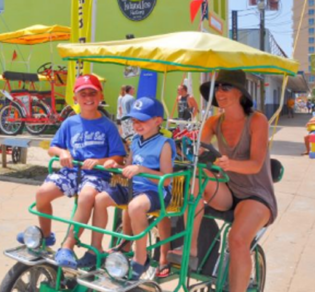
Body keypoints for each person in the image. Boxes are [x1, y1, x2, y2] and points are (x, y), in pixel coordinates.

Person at [167, 70, 277, 292]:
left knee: (237, 240)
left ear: (240, 93)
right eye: (217, 87)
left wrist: (225, 163)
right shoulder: (213, 122)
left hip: (256, 194)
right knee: (193, 176)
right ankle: (192, 248)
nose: (219, 92)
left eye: (225, 87)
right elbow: (196, 154)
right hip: (227, 188)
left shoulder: (257, 120)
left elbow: (255, 164)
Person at [17, 74, 127, 269]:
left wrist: (99, 161)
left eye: (92, 92)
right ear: (75, 98)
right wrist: (63, 152)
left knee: (86, 196)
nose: (88, 97)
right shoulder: (70, 123)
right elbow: (53, 147)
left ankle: (67, 245)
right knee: (42, 193)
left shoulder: (108, 126)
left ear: (100, 95)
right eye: (82, 93)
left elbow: (118, 156)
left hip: (96, 175)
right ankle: (46, 235)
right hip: (71, 172)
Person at [81, 97, 176, 279]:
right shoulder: (135, 141)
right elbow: (127, 168)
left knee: (135, 206)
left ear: (157, 121)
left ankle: (141, 257)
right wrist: (113, 165)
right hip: (133, 187)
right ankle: (96, 249)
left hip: (154, 191)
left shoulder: (164, 144)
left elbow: (165, 179)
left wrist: (141, 169)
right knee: (100, 199)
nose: (137, 124)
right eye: (134, 121)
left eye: (142, 120)